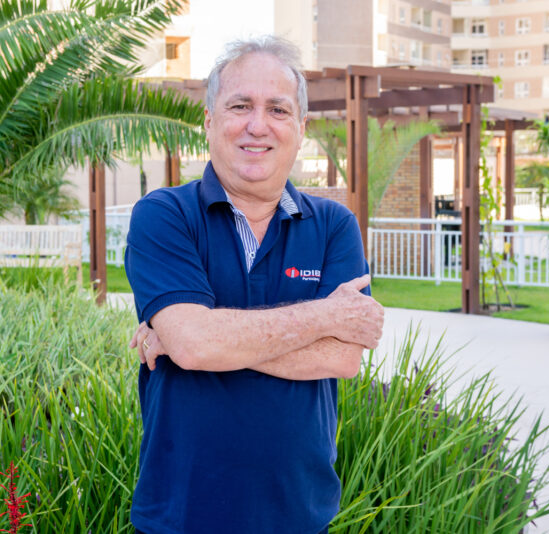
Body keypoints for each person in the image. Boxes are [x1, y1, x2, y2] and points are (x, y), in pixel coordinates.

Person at [124, 35, 384, 534]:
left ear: (300, 129)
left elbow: (342, 358)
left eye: (278, 109)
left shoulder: (334, 225)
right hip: (180, 516)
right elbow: (195, 344)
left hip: (299, 515)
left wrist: (195, 340)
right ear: (209, 121)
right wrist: (324, 316)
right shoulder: (164, 215)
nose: (257, 125)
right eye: (240, 105)